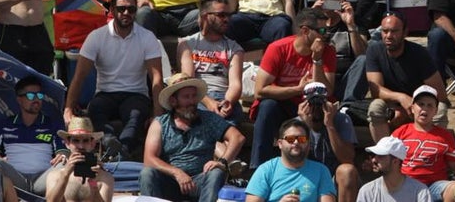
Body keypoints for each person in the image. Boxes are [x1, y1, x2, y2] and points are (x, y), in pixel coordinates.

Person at [64, 0, 165, 160]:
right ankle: (113, 145)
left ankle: (117, 151)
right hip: (105, 93)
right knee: (95, 111)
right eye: (121, 9)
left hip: (136, 93)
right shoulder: (97, 37)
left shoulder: (147, 37)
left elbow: (156, 78)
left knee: (135, 118)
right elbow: (80, 76)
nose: (126, 13)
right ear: (111, 10)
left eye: (131, 9)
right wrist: (68, 109)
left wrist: (157, 114)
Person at [249, 10, 336, 168]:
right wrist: (298, 89)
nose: (326, 35)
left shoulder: (327, 51)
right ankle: (258, 168)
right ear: (305, 31)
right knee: (267, 105)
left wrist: (317, 60)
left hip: (312, 106)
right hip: (283, 105)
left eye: (328, 30)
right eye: (322, 30)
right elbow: (259, 91)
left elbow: (327, 91)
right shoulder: (278, 48)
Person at [140, 73, 243, 202]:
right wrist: (177, 173)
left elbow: (237, 137)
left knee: (216, 172)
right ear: (173, 100)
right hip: (170, 181)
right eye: (186, 97)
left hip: (200, 181)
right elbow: (149, 159)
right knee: (147, 174)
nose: (192, 101)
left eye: (194, 96)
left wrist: (222, 162)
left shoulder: (208, 119)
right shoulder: (160, 123)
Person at [365, 13, 449, 141]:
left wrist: (414, 107)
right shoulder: (374, 50)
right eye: (385, 31)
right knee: (376, 106)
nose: (388, 36)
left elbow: (440, 95)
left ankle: (432, 148)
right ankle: (384, 150)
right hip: (392, 106)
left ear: (405, 33)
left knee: (440, 109)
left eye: (394, 31)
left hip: (419, 105)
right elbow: (376, 90)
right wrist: (401, 98)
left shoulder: (420, 54)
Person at [245, 117, 335, 202]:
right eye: (290, 139)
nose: (296, 142)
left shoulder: (321, 171)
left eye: (301, 139)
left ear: (308, 144)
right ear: (280, 144)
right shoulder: (266, 170)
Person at [44, 118, 115, 202]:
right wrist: (65, 175)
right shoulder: (55, 175)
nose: (81, 146)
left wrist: (93, 185)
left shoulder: (104, 177)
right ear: (67, 143)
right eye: (76, 140)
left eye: (85, 140)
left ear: (92, 144)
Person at [358, 136, 429, 202]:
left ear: (395, 161)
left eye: (381, 156)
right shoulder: (367, 191)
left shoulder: (419, 191)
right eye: (374, 155)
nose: (374, 160)